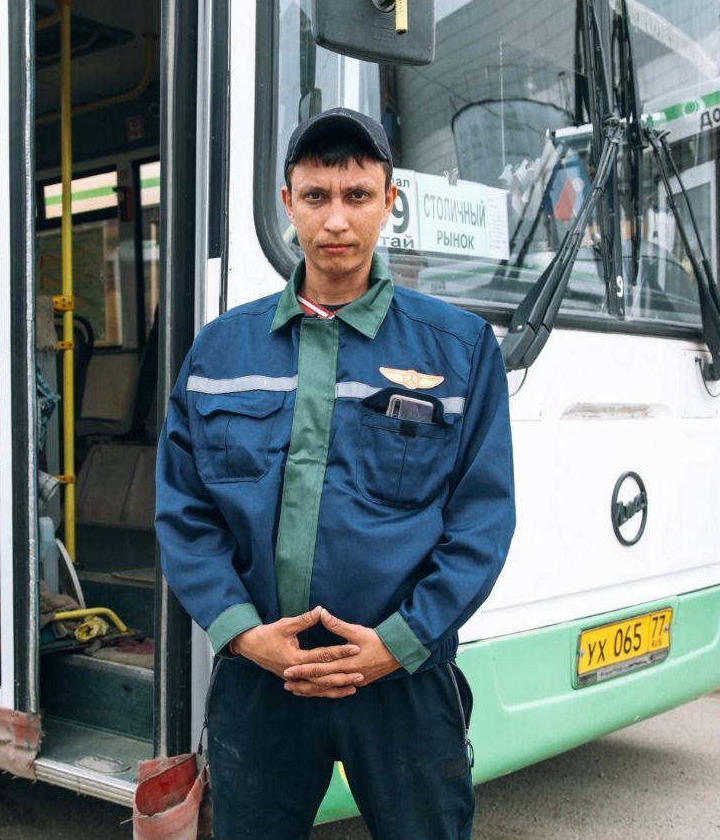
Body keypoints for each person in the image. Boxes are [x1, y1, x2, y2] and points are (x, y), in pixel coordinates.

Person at [154, 108, 515, 839]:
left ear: (390, 201)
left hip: (403, 681)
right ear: (287, 204)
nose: (336, 219)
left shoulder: (461, 349)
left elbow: (482, 519)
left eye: (357, 195)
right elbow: (184, 512)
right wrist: (242, 633)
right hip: (262, 681)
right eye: (316, 196)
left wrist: (399, 642)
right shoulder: (220, 353)